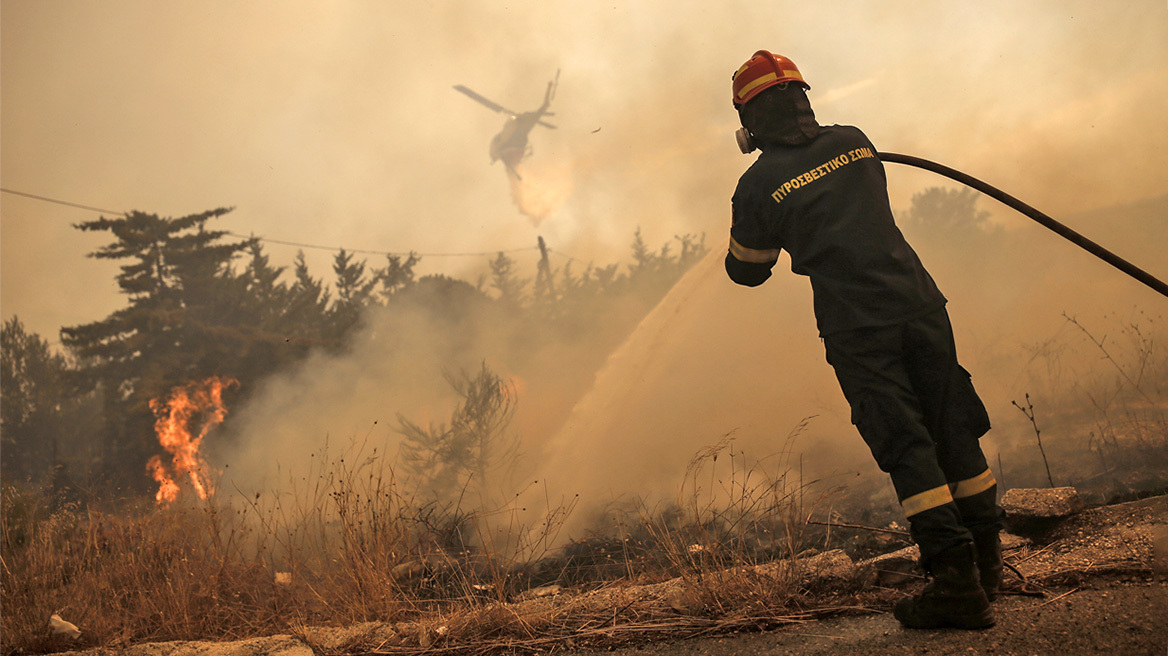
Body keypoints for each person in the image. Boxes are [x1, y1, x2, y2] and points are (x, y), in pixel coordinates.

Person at [724, 50, 1003, 630]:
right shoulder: (854, 141)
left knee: (906, 443)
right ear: (803, 99)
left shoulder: (757, 184)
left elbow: (748, 270)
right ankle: (986, 563)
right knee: (952, 424)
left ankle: (957, 584)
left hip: (858, 327)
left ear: (749, 120)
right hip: (920, 303)